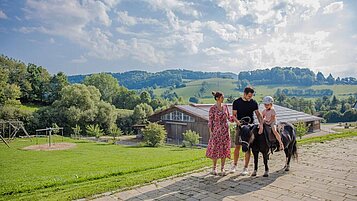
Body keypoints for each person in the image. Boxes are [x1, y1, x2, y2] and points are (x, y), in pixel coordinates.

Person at [230, 87, 263, 175]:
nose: (250, 98)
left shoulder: (253, 102)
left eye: (251, 96)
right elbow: (233, 115)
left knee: (247, 148)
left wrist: (261, 124)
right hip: (240, 126)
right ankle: (234, 165)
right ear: (244, 93)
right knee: (237, 146)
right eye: (249, 96)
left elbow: (258, 114)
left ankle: (245, 168)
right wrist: (238, 122)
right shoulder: (237, 102)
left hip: (250, 127)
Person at [206, 91, 236, 176]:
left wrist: (234, 118)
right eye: (222, 97)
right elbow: (210, 121)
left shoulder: (225, 107)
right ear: (217, 98)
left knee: (224, 149)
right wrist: (211, 133)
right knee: (215, 149)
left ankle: (222, 168)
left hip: (225, 131)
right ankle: (214, 168)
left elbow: (229, 118)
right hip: (216, 131)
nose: (224, 99)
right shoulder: (212, 108)